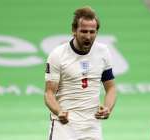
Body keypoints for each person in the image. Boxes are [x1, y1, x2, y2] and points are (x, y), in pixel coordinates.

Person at [44, 6, 117, 140]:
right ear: (74, 30)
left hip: (92, 126)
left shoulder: (103, 52)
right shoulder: (58, 55)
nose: (88, 36)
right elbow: (49, 93)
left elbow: (111, 87)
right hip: (64, 126)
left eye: (92, 32)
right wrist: (59, 111)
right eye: (83, 31)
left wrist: (107, 108)